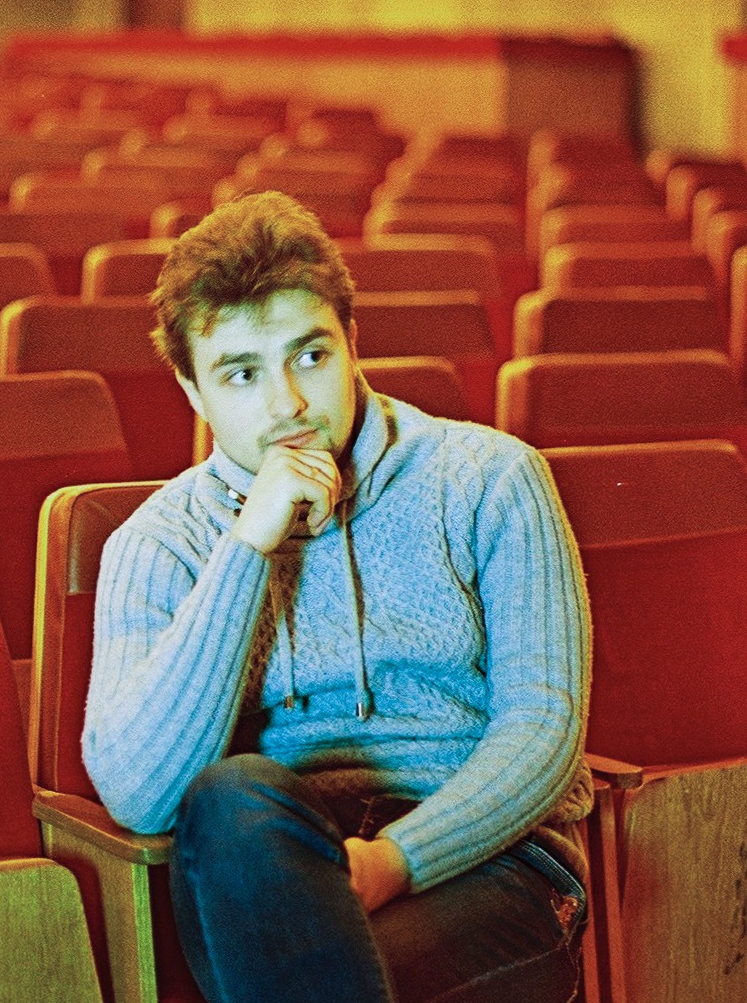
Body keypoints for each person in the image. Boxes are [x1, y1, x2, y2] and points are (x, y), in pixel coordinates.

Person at [81, 191, 593, 1003]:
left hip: (485, 860)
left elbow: (543, 728)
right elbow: (141, 793)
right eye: (241, 374)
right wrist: (247, 548)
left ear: (352, 342)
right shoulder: (159, 543)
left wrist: (395, 860)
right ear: (191, 390)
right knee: (229, 796)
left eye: (310, 356)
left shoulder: (490, 478)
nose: (285, 402)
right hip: (277, 872)